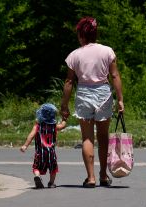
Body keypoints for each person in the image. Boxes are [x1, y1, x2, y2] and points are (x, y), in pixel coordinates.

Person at [60, 17, 124, 188]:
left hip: (84, 94)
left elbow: (69, 82)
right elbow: (115, 76)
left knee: (87, 138)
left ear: (81, 35)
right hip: (103, 93)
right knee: (103, 137)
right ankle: (103, 176)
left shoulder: (74, 55)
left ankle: (91, 178)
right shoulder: (107, 51)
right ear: (95, 34)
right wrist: (120, 99)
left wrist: (64, 105)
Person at [20, 103, 67, 189]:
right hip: (51, 154)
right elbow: (63, 126)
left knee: (36, 167)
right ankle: (51, 183)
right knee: (53, 169)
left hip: (39, 153)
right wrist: (64, 118)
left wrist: (25, 146)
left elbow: (30, 136)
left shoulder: (37, 127)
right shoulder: (54, 126)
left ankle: (37, 176)